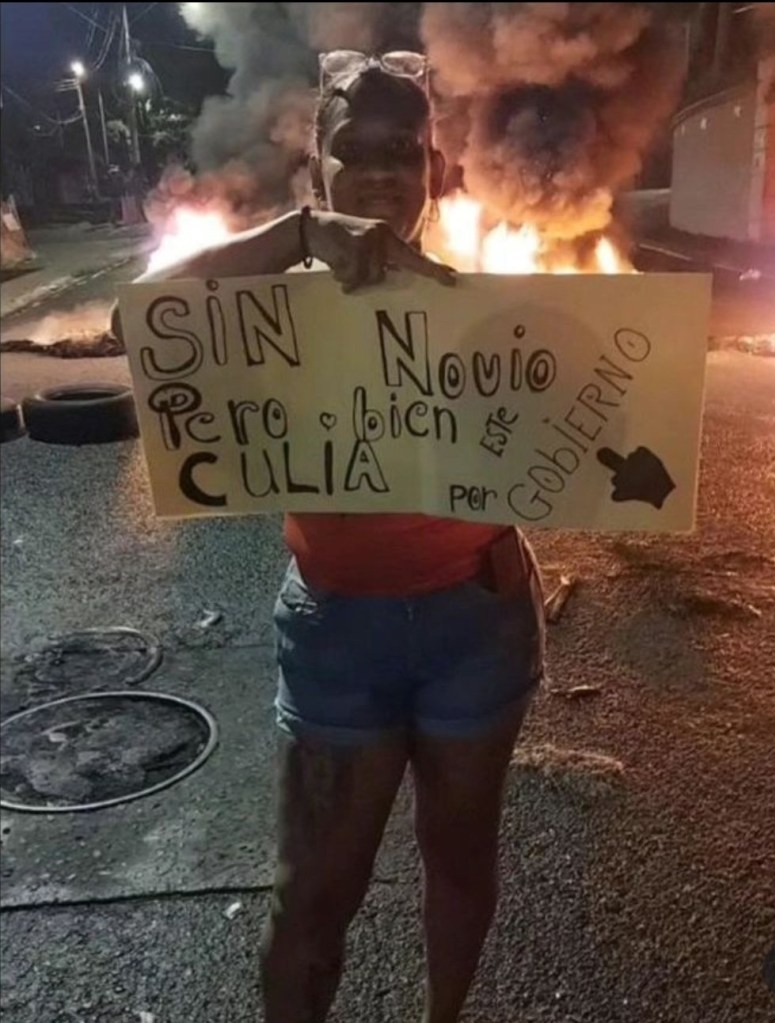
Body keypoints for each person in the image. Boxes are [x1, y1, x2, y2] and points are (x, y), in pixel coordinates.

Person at [114, 51, 546, 1023]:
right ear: (318, 168)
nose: (384, 170)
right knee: (311, 894)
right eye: (357, 149)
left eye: (405, 149)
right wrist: (300, 234)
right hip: (338, 631)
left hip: (476, 619)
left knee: (461, 855)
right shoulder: (271, 301)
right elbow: (133, 319)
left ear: (435, 168)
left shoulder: (486, 288)